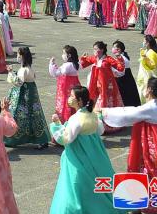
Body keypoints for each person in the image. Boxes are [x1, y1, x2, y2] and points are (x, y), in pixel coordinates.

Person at [102, 78, 157, 214]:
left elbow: (129, 114)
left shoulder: (150, 107)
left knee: (152, 172)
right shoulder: (153, 106)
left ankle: (156, 206)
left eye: (146, 87)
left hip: (151, 145)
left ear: (150, 90)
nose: (144, 89)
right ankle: (140, 204)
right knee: (150, 172)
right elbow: (133, 110)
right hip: (151, 143)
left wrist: (104, 112)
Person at [48, 85, 116, 213]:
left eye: (72, 96)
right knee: (97, 180)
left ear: (79, 101)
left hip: (78, 157)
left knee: (76, 185)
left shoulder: (76, 119)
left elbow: (65, 139)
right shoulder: (93, 115)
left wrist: (56, 125)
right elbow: (100, 131)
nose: (69, 98)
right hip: (96, 155)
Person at [4, 47, 50, 148]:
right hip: (30, 94)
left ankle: (13, 139)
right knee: (33, 115)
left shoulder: (24, 69)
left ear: (23, 57)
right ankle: (41, 139)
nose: (17, 57)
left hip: (23, 96)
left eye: (18, 55)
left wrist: (11, 72)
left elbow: (19, 82)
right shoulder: (29, 68)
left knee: (18, 115)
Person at [79, 41, 124, 133]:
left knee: (106, 104)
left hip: (107, 86)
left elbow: (120, 67)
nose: (95, 51)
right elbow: (83, 64)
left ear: (102, 50)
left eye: (96, 49)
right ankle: (98, 125)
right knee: (96, 103)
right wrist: (83, 58)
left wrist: (119, 57)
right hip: (96, 85)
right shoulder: (94, 59)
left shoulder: (108, 59)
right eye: (94, 49)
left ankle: (108, 125)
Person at [48, 45, 81, 125]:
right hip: (73, 89)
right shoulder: (76, 64)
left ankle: (64, 123)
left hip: (65, 90)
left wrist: (52, 64)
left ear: (69, 55)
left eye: (64, 53)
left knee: (64, 106)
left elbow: (56, 73)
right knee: (73, 106)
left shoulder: (67, 65)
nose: (62, 55)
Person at [111, 40, 141, 107]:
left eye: (113, 47)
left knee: (125, 96)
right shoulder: (122, 56)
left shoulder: (122, 58)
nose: (112, 49)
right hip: (126, 78)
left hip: (123, 80)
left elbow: (118, 71)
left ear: (118, 49)